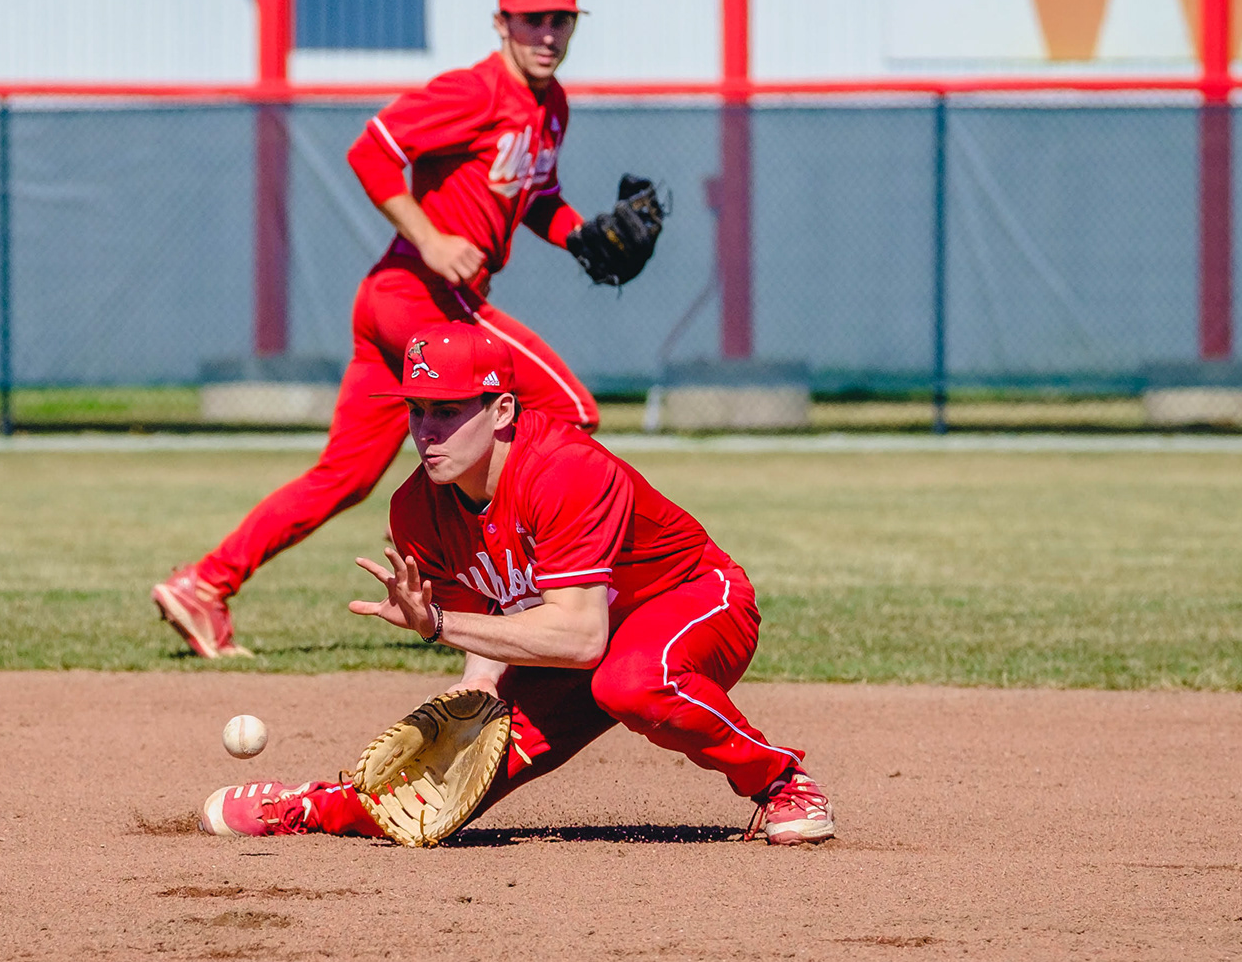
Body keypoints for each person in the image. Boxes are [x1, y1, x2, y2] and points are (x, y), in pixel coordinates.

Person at [198, 322, 836, 845]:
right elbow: (494, 613)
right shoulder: (417, 509)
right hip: (575, 633)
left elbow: (584, 640)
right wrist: (479, 691)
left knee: (630, 682)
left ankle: (781, 782)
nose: (427, 431)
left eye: (447, 410)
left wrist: (441, 628)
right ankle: (312, 807)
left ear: (502, 409)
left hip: (690, 600)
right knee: (446, 789)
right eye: (416, 410)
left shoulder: (565, 472)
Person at [153, 0, 609, 659]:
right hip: (422, 298)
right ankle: (511, 590)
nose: (547, 34)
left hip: (398, 304)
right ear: (501, 23)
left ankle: (205, 585)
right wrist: (430, 237)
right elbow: (371, 151)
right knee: (571, 411)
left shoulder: (552, 108)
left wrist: (580, 233)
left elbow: (535, 196)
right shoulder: (473, 91)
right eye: (532, 20)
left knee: (344, 477)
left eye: (560, 21)